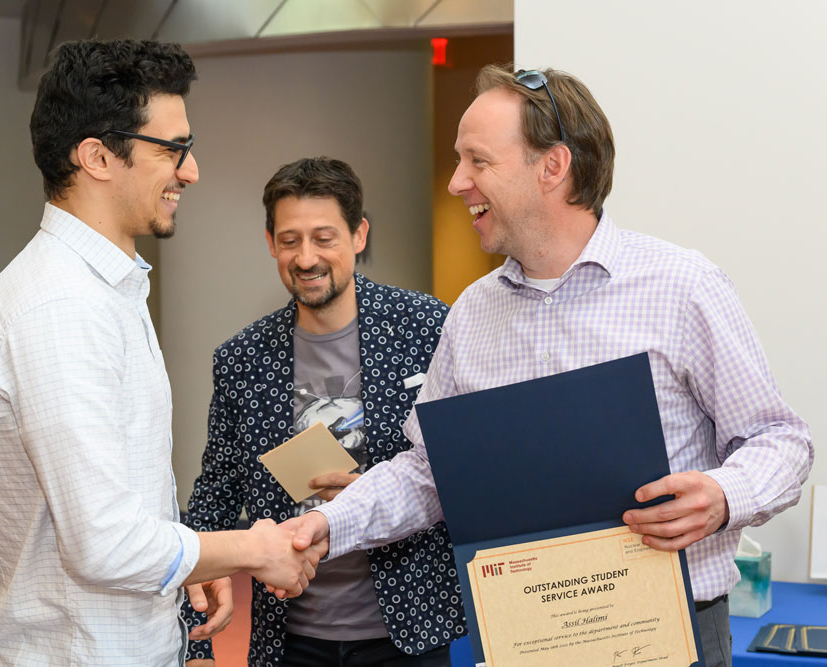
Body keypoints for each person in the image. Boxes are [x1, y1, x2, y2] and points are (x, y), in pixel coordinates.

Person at [289, 66, 814, 667]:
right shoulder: (471, 315)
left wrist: (724, 494)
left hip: (669, 634)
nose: (457, 182)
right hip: (526, 639)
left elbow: (782, 440)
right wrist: (324, 526)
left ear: (553, 167)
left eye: (476, 161)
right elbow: (429, 474)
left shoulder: (683, 287)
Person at [0, 40, 323, 666]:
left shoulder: (108, 286)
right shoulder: (58, 306)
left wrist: (187, 557)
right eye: (173, 148)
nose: (191, 171)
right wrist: (249, 548)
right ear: (98, 156)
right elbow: (101, 543)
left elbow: (124, 497)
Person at [182, 157, 466, 666]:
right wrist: (196, 639)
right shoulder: (242, 360)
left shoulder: (426, 327)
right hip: (290, 635)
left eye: (324, 237)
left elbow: (462, 467)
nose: (306, 257)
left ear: (359, 235)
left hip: (407, 631)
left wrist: (375, 497)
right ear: (270, 243)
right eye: (290, 240)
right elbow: (216, 493)